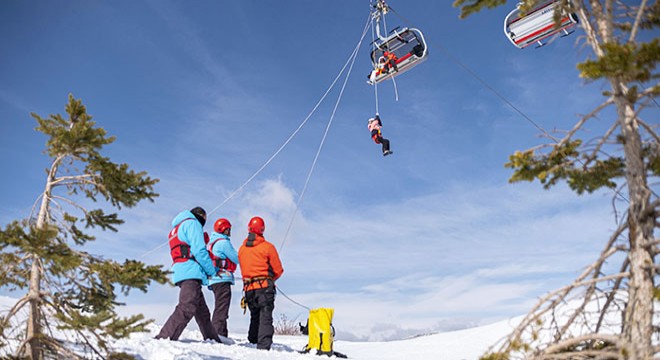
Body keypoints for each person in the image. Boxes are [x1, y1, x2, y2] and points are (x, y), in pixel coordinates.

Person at [156, 207, 221, 343]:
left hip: (181, 269)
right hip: (190, 270)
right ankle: (164, 338)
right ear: (201, 217)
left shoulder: (177, 227)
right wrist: (211, 271)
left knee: (202, 312)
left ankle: (213, 339)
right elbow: (199, 250)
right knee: (187, 306)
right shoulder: (192, 223)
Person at [238, 216, 284, 350]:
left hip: (248, 289)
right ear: (262, 229)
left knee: (255, 315)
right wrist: (270, 279)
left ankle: (252, 340)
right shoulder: (268, 247)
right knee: (265, 315)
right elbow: (278, 270)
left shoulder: (241, 249)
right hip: (264, 288)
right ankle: (263, 346)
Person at [205, 218, 239, 338]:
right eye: (228, 229)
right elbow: (237, 258)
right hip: (222, 278)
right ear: (223, 229)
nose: (230, 231)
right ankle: (217, 334)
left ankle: (222, 335)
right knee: (222, 308)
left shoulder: (212, 243)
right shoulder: (223, 243)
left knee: (220, 307)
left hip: (214, 279)